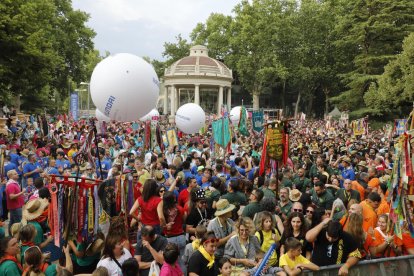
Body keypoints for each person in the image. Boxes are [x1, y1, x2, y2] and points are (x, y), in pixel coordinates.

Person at [157, 191, 187, 273]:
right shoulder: (179, 208)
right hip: (181, 237)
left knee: (172, 264)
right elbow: (184, 218)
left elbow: (161, 221)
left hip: (170, 239)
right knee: (182, 261)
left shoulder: (163, 212)